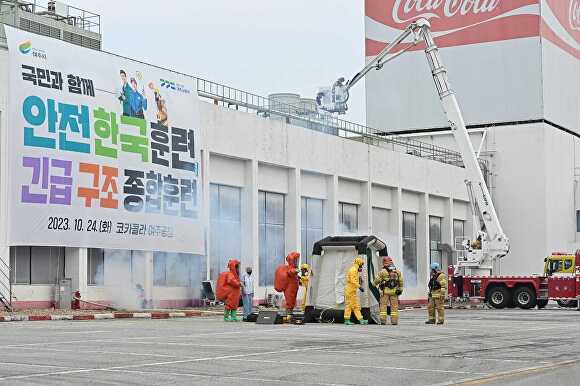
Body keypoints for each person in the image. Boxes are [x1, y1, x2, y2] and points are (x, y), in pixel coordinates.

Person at [373, 256, 404, 325]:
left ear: (384, 262)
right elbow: (401, 281)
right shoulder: (397, 271)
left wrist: (373, 284)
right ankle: (394, 321)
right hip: (394, 292)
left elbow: (377, 280)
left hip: (385, 292)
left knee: (383, 305)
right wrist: (401, 289)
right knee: (394, 307)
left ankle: (383, 321)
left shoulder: (383, 271)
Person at [344, 257, 368, 325]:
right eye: (362, 265)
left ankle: (361, 319)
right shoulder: (353, 270)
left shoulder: (355, 270)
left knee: (355, 306)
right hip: (349, 291)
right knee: (349, 305)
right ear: (359, 263)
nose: (362, 267)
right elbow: (353, 280)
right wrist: (359, 286)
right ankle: (347, 320)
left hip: (352, 291)